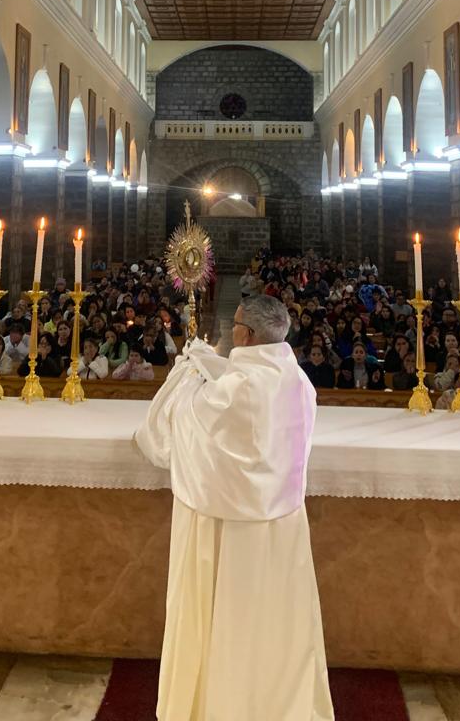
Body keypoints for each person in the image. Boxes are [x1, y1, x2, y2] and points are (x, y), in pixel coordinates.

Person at [135, 294, 333, 721]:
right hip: (280, 530)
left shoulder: (239, 388)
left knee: (228, 621)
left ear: (246, 335)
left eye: (235, 326)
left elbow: (187, 422)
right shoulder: (298, 382)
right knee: (273, 624)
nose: (231, 332)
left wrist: (188, 373)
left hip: (230, 534)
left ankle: (216, 704)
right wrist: (209, 362)